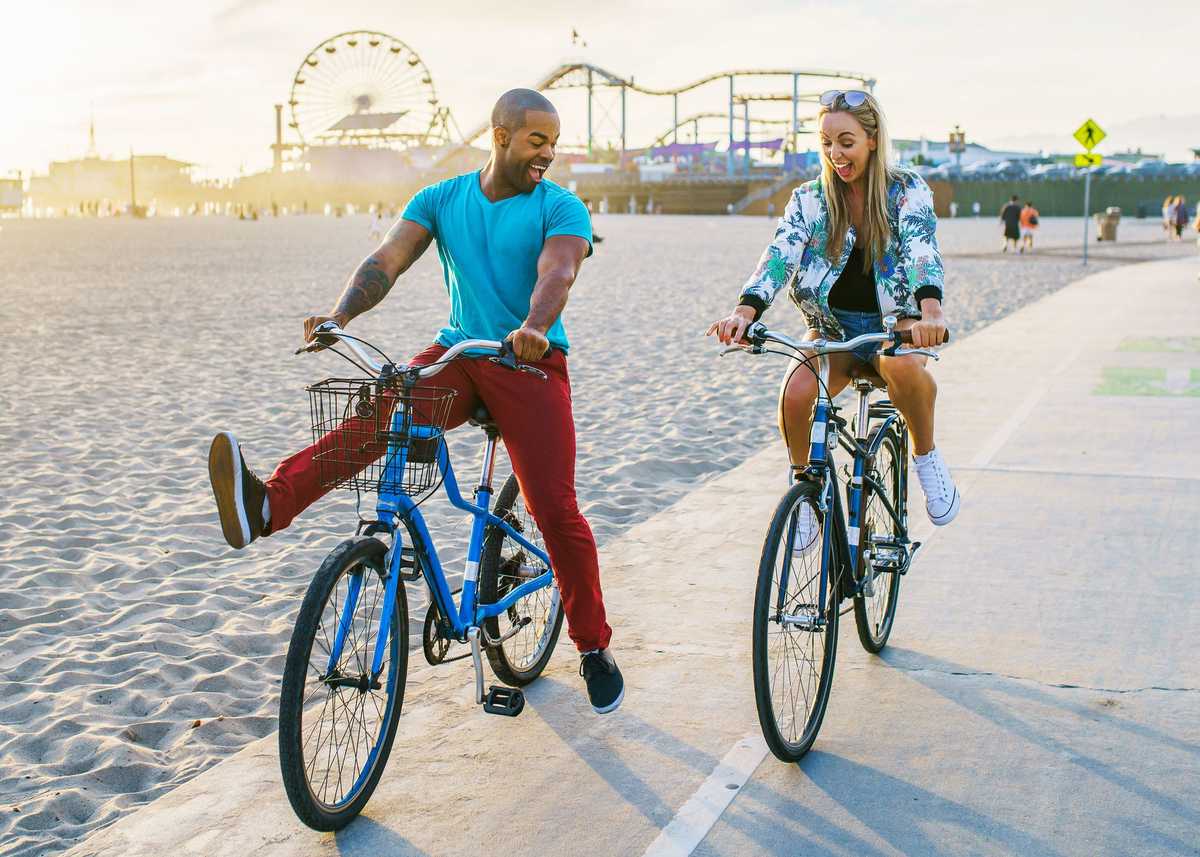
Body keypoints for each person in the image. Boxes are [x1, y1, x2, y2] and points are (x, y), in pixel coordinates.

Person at [206, 89, 624, 714]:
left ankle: (592, 646)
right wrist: (341, 315)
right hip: (459, 353)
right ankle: (266, 504)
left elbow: (557, 272)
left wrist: (535, 326)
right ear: (501, 133)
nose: (549, 154)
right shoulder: (441, 198)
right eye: (538, 141)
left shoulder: (559, 205)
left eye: (554, 144)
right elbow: (388, 259)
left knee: (555, 508)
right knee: (381, 414)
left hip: (529, 362)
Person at [707, 89, 960, 536]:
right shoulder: (809, 199)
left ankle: (927, 459)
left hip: (894, 324)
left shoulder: (906, 191)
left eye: (846, 142)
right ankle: (805, 489)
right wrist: (745, 311)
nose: (835, 154)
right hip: (831, 326)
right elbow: (780, 255)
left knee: (901, 368)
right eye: (826, 143)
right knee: (796, 392)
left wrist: (930, 313)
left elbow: (923, 249)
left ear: (873, 140)